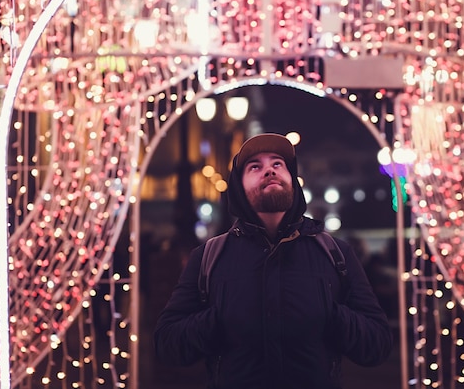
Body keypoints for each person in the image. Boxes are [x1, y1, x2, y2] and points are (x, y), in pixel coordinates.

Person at [153, 133, 394, 389]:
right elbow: (168, 344)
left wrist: (329, 312)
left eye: (278, 164)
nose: (269, 170)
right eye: (255, 167)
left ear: (292, 179)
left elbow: (377, 344)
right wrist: (220, 316)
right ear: (239, 186)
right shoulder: (209, 257)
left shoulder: (335, 253)